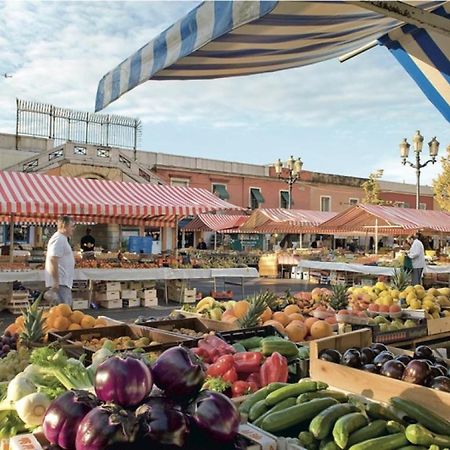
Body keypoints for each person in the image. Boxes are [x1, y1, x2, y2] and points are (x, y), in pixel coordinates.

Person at [45, 216, 75, 305]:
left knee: (65, 311)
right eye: (71, 226)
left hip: (63, 282)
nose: (73, 229)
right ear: (64, 226)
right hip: (60, 283)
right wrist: (56, 281)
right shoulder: (59, 239)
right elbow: (52, 259)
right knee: (63, 312)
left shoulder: (63, 238)